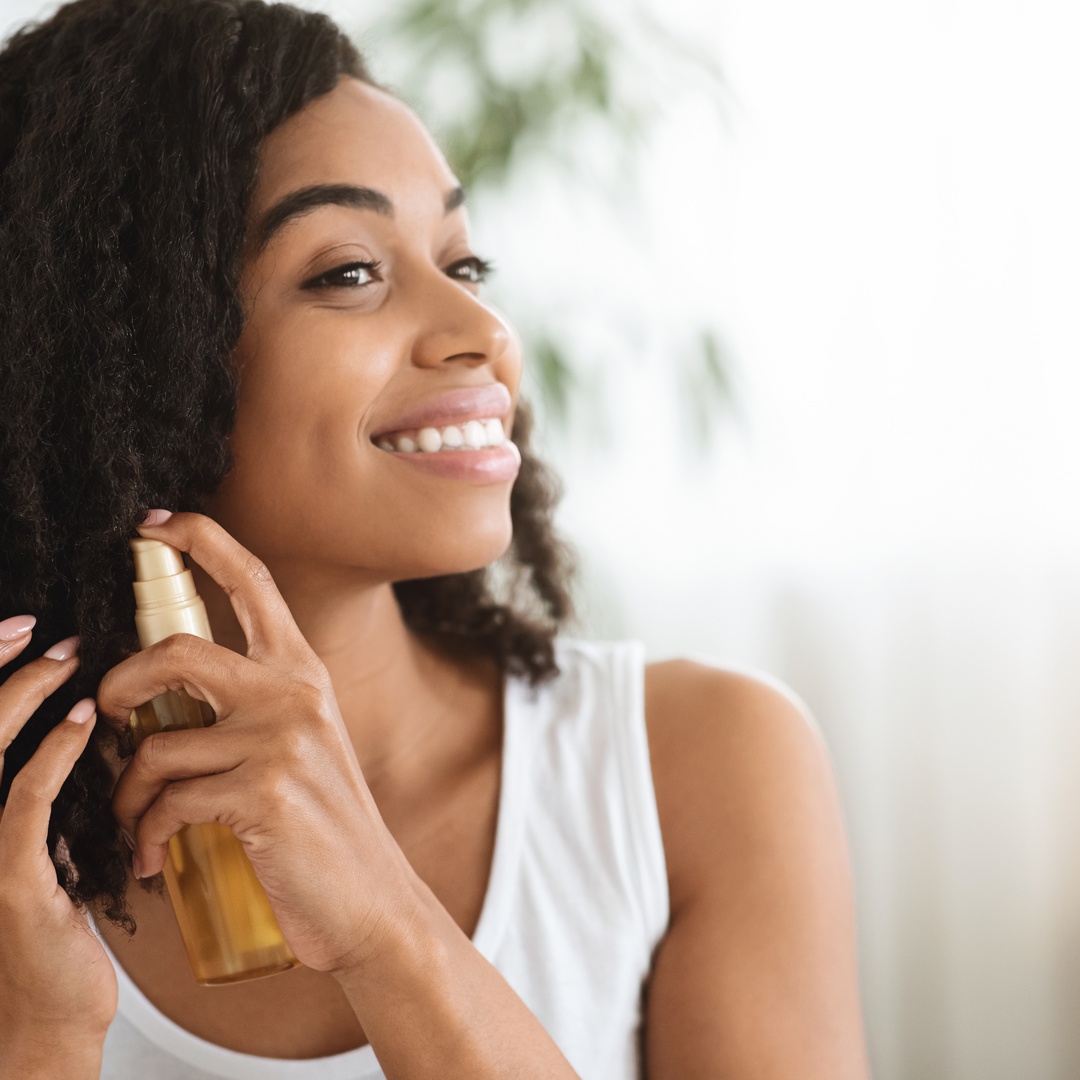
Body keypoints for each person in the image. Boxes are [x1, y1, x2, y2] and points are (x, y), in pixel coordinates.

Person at [0, 1, 871, 1076]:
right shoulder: (16, 869)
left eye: (463, 266)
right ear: (128, 366)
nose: (486, 335)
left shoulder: (703, 765)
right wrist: (38, 1039)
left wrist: (388, 930)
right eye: (350, 271)